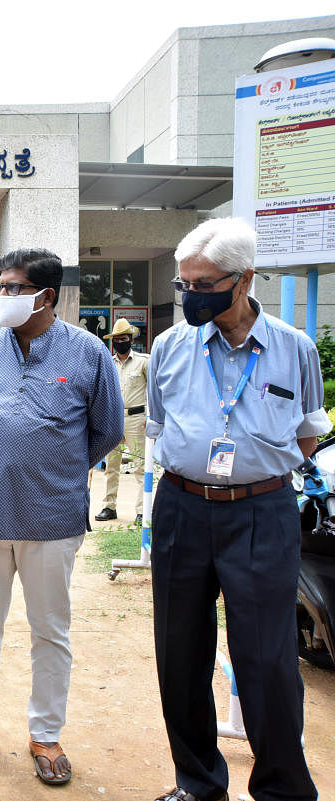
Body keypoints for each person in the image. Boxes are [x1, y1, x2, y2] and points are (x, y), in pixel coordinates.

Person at [146, 218, 326, 801]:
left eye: (202, 284)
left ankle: (281, 789)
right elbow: (158, 427)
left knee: (267, 658)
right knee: (179, 654)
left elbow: (306, 437)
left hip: (261, 511)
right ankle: (197, 784)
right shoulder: (168, 347)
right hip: (181, 508)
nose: (190, 295)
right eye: (183, 285)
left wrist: (248, 466)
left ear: (244, 279)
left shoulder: (293, 350)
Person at [0, 249, 123, 786]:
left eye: (13, 287)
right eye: (0, 286)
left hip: (53, 520)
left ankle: (45, 734)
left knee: (50, 631)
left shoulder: (87, 352)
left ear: (46, 296)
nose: (2, 296)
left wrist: (53, 467)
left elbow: (108, 430)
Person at [95, 317, 151, 525]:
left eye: (124, 338)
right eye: (117, 339)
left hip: (137, 418)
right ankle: (109, 507)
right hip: (113, 419)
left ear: (131, 339)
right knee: (111, 466)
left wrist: (150, 416)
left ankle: (142, 510)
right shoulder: (108, 363)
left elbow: (154, 390)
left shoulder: (144, 361)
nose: (121, 342)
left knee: (139, 465)